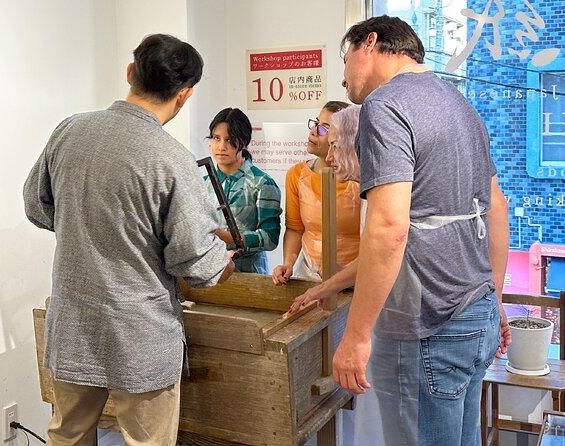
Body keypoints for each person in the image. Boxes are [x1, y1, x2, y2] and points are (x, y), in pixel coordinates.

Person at [23, 34, 235, 446]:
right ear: (185, 95)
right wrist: (220, 264)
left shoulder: (69, 131)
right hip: (141, 333)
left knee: (67, 435)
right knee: (147, 441)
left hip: (74, 322)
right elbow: (198, 263)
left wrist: (82, 229)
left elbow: (36, 205)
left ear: (129, 74)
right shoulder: (171, 159)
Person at [331, 16, 511, 446]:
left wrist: (355, 336)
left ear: (369, 43)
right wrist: (494, 299)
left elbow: (390, 227)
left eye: (344, 59)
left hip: (427, 327)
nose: (342, 78)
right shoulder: (460, 104)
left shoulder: (385, 105)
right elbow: (497, 208)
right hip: (475, 315)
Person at [271, 101, 361, 284]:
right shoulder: (296, 175)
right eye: (316, 124)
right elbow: (295, 228)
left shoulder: (361, 180)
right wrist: (288, 263)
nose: (314, 131)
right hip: (310, 274)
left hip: (356, 278)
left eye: (324, 129)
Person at [203, 107, 282, 274]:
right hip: (211, 274)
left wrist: (223, 235)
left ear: (244, 142)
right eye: (217, 138)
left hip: (250, 275)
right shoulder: (203, 184)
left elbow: (270, 238)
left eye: (230, 140)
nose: (221, 146)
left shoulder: (262, 183)